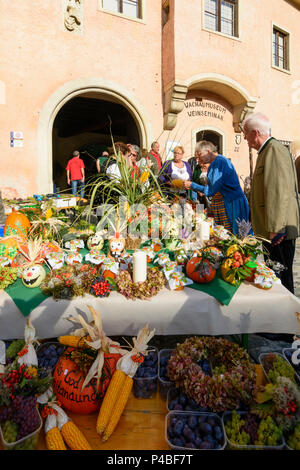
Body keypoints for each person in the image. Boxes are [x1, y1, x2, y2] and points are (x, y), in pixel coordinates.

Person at [243, 112, 300, 294]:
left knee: (282, 279)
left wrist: (276, 227)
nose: (245, 138)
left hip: (277, 230)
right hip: (272, 229)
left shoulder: (273, 150)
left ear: (255, 133)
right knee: (275, 275)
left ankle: (290, 316)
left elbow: (279, 191)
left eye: (246, 133)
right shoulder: (267, 150)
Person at [183, 141, 250, 235]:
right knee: (224, 236)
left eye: (199, 155)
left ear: (208, 151)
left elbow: (210, 190)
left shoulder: (220, 162)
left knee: (237, 236)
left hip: (233, 203)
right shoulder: (214, 163)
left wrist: (192, 185)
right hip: (226, 203)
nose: (197, 159)